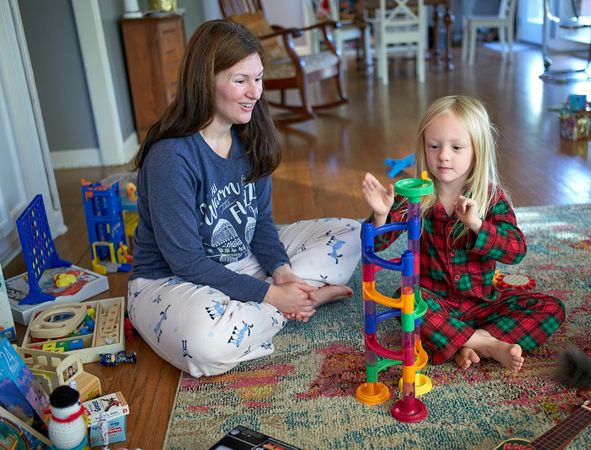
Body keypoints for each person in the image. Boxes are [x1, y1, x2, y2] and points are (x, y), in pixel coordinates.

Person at [127, 21, 361, 378]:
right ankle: (304, 297)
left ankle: (271, 301)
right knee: (205, 345)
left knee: (352, 233)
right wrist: (274, 297)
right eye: (241, 81)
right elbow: (186, 261)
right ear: (205, 82)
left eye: (259, 78)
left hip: (244, 260)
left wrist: (281, 273)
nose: (255, 92)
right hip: (172, 281)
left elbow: (261, 224)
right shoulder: (170, 158)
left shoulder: (251, 136)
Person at [362, 96, 565, 372]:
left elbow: (516, 250)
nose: (443, 155)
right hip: (436, 304)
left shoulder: (491, 197)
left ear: (476, 151)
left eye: (457, 147)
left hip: (484, 303)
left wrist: (477, 225)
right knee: (406, 302)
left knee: (552, 308)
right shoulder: (414, 195)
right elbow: (376, 245)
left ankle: (465, 343)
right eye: (434, 146)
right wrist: (381, 214)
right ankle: (487, 344)